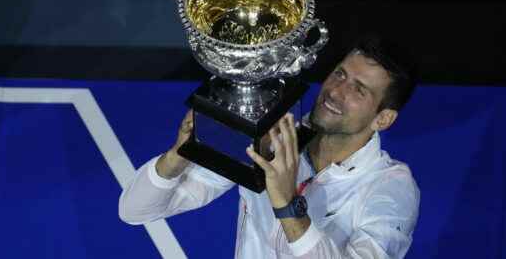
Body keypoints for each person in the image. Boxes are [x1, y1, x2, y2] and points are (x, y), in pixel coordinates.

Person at [119, 35, 420, 258]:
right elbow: (134, 210)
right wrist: (179, 156)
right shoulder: (274, 134)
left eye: (359, 90)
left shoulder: (390, 187)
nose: (336, 91)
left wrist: (287, 204)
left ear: (383, 119)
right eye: (340, 74)